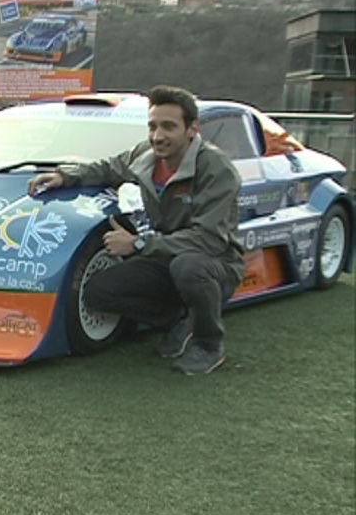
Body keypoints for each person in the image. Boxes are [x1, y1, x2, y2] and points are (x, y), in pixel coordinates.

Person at [27, 85, 244, 375]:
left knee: (189, 267)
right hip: (165, 254)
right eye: (152, 126)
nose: (157, 136)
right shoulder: (147, 154)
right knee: (98, 292)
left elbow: (208, 239)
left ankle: (208, 345)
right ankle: (180, 320)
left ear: (192, 129)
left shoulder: (218, 170)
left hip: (215, 262)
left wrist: (139, 245)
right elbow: (109, 167)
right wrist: (64, 176)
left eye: (168, 127)